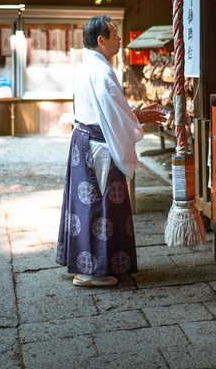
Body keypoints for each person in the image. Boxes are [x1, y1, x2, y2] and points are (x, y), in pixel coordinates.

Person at [55, 15, 165, 287]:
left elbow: (109, 111)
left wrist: (134, 114)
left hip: (84, 140)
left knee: (86, 204)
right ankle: (92, 271)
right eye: (114, 35)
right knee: (98, 206)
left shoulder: (87, 67)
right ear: (101, 40)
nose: (119, 40)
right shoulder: (102, 72)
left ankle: (87, 266)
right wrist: (137, 120)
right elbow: (113, 117)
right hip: (98, 146)